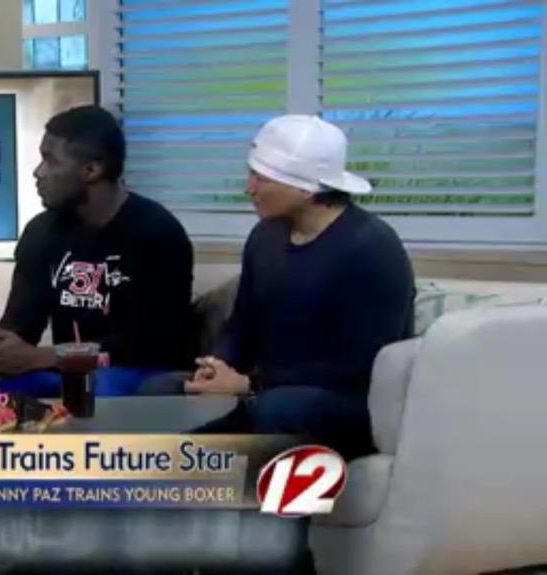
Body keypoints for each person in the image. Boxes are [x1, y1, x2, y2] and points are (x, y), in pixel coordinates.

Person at [155, 115, 415, 460]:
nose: (248, 188)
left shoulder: (371, 248)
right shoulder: (266, 236)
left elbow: (359, 365)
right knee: (158, 390)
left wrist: (249, 384)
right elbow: (242, 322)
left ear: (306, 189)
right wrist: (216, 365)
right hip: (265, 387)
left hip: (343, 400)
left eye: (261, 179)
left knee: (274, 409)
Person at [0, 105, 194, 397]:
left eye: (51, 161)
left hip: (130, 371)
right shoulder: (42, 231)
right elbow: (22, 324)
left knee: (99, 388)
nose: (38, 172)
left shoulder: (157, 232)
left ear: (91, 170)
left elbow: (148, 345)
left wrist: (45, 356)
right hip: (62, 372)